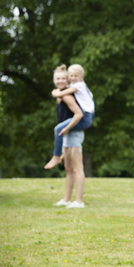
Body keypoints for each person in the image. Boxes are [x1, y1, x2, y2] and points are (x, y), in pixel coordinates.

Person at [44, 64, 94, 169]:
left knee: (58, 129)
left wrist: (55, 93)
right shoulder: (74, 87)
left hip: (85, 117)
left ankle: (56, 157)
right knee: (61, 130)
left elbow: (78, 113)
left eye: (64, 78)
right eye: (71, 76)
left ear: (81, 77)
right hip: (86, 117)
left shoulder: (78, 86)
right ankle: (62, 153)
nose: (72, 78)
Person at [51, 65, 87, 208]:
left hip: (74, 133)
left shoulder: (68, 94)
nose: (60, 81)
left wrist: (66, 128)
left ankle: (79, 201)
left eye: (62, 78)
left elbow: (79, 114)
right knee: (68, 168)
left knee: (77, 168)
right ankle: (66, 199)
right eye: (57, 78)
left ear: (67, 80)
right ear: (54, 80)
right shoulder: (61, 94)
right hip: (67, 133)